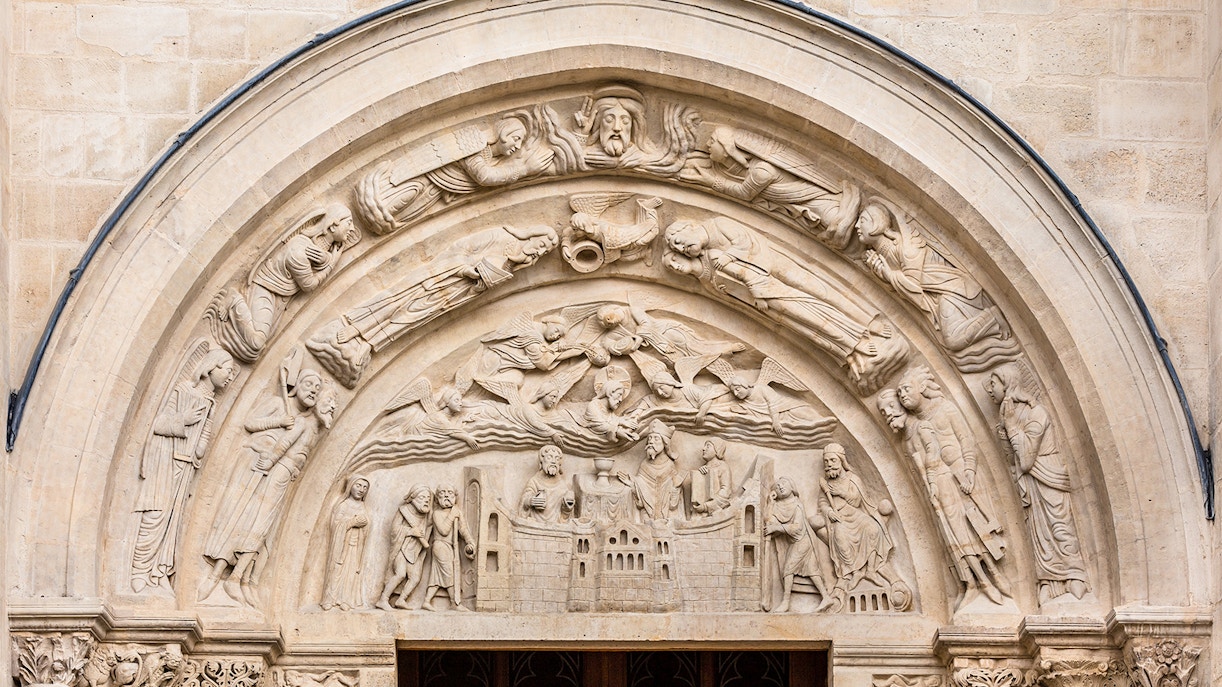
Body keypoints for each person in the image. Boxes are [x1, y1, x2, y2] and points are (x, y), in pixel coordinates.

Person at [200, 369, 335, 606]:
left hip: (281, 475)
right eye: (309, 384)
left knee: (263, 530)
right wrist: (277, 427)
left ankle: (243, 579)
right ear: (296, 385)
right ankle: (220, 575)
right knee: (244, 519)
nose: (314, 391)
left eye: (317, 388)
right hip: (257, 467)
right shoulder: (280, 406)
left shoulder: (311, 425)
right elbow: (253, 425)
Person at [131, 347, 237, 592]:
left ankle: (159, 572)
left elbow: (205, 433)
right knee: (156, 514)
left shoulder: (210, 403)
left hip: (187, 465)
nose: (231, 377)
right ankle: (139, 570)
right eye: (228, 370)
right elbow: (159, 424)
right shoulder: (183, 390)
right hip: (166, 462)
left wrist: (200, 447)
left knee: (174, 521)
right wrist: (184, 420)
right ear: (212, 367)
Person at [985, 365, 1089, 601]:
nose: (989, 389)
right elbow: (1012, 461)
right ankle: (1050, 582)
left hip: (1048, 476)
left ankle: (1074, 577)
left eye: (993, 384)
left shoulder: (1036, 413)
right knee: (1038, 532)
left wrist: (1011, 426)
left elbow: (1026, 459)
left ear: (1007, 383)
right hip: (1031, 483)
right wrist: (1004, 430)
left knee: (1058, 525)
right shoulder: (1010, 416)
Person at [209, 204, 360, 362]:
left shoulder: (320, 251)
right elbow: (309, 285)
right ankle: (235, 300)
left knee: (255, 352)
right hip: (266, 289)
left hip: (282, 296)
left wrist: (327, 259)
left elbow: (320, 259)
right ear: (333, 225)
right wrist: (332, 263)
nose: (352, 228)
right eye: (349, 223)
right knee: (256, 344)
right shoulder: (298, 252)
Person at [817, 444, 910, 609]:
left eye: (832, 460)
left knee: (873, 528)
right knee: (839, 536)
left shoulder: (852, 479)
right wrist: (829, 511)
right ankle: (854, 572)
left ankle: (871, 569)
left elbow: (856, 501)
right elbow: (822, 503)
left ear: (841, 461)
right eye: (826, 461)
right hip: (839, 519)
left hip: (855, 515)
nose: (829, 464)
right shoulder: (826, 485)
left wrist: (840, 492)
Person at [765, 477, 833, 612]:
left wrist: (777, 528)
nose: (780, 487)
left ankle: (785, 602)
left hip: (803, 540)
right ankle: (826, 597)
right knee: (813, 571)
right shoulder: (778, 506)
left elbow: (797, 528)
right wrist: (770, 503)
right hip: (795, 541)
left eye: (783, 484)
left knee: (788, 569)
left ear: (792, 486)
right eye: (777, 486)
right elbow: (768, 520)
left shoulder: (797, 504)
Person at [376, 485, 434, 610]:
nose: (426, 500)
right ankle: (383, 600)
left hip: (415, 550)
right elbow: (394, 529)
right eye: (422, 497)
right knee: (400, 574)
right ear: (413, 498)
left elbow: (429, 526)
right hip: (402, 548)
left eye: (428, 498)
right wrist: (410, 531)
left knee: (415, 578)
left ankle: (401, 599)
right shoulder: (404, 511)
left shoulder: (427, 515)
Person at [616, 420, 684, 521]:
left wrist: (675, 487)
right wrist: (632, 484)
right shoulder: (645, 464)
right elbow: (641, 486)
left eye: (656, 438)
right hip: (647, 516)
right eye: (650, 438)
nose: (651, 442)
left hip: (665, 516)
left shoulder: (669, 465)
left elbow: (673, 499)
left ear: (665, 443)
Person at [321, 475, 371, 611]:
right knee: (336, 571)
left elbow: (366, 525)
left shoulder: (362, 506)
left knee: (350, 573)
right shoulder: (343, 505)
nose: (361, 489)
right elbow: (335, 524)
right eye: (358, 485)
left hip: (355, 545)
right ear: (350, 486)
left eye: (365, 487)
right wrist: (352, 522)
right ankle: (329, 599)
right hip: (340, 545)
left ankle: (345, 599)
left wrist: (365, 524)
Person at [423, 486, 476, 611]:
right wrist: (452, 515)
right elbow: (443, 530)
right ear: (437, 498)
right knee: (449, 574)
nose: (446, 495)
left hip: (450, 547)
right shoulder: (437, 513)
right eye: (443, 493)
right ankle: (454, 603)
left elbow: (463, 529)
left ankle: (426, 601)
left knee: (436, 576)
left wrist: (470, 542)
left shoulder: (457, 512)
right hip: (440, 546)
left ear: (455, 497)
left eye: (450, 493)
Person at [519, 445, 575, 524]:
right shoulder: (534, 481)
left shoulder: (562, 486)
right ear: (541, 460)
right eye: (549, 457)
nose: (553, 461)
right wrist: (531, 501)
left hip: (555, 526)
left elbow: (565, 516)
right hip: (536, 524)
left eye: (557, 459)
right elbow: (524, 501)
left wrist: (567, 508)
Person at [691, 438, 732, 516]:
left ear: (717, 450)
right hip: (700, 512)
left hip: (715, 511)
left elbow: (726, 492)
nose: (703, 449)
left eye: (708, 446)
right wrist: (700, 475)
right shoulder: (703, 468)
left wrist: (707, 506)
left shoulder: (723, 466)